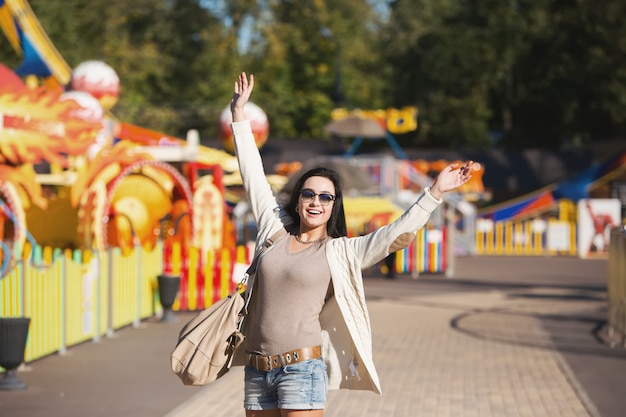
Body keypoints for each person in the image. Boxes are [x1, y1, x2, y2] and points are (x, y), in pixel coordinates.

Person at [229, 72, 473, 417]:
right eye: (308, 194)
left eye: (325, 197)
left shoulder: (340, 250)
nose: (316, 201)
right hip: (257, 370)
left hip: (301, 370)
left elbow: (394, 235)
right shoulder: (274, 231)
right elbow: (252, 174)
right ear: (298, 200)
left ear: (333, 206)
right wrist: (239, 116)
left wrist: (433, 193)